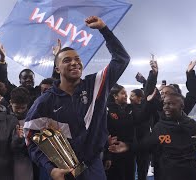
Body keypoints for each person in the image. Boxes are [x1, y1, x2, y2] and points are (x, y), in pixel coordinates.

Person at [24, 16, 130, 180]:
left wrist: (104, 29)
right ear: (57, 69)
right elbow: (31, 137)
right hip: (63, 170)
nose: (74, 63)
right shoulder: (45, 102)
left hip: (93, 166)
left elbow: (121, 59)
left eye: (77, 59)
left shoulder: (95, 84)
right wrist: (50, 169)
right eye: (67, 60)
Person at [109, 93, 196, 180]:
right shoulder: (160, 127)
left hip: (191, 175)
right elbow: (145, 145)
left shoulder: (192, 125)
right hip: (168, 176)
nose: (166, 107)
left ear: (181, 106)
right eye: (165, 104)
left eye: (171, 104)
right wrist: (128, 146)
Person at [0, 39, 41, 107]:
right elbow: (2, 81)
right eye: (25, 78)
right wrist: (2, 59)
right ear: (20, 81)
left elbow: (55, 82)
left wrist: (57, 60)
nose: (28, 80)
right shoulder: (13, 92)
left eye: (31, 78)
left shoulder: (39, 93)